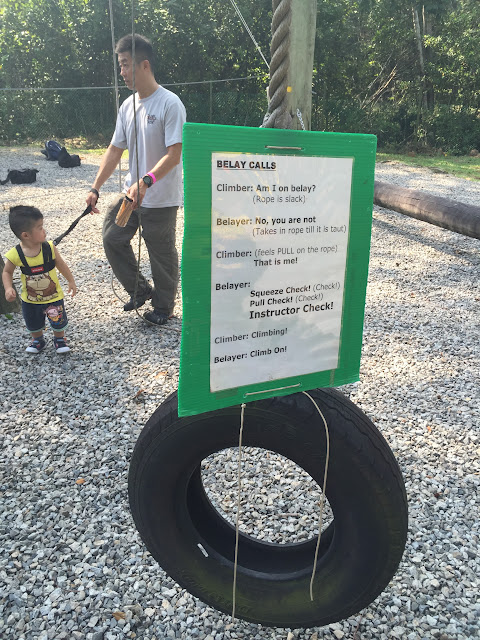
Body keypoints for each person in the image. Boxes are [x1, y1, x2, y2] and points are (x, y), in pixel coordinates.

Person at [86, 34, 186, 326]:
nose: (122, 72)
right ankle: (140, 290)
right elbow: (114, 149)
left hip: (161, 196)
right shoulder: (127, 106)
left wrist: (146, 181)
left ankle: (164, 308)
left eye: (126, 64)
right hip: (132, 195)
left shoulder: (170, 104)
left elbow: (174, 155)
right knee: (112, 238)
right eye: (120, 65)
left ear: (144, 65)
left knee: (160, 253)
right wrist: (95, 187)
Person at [2, 205, 77, 354]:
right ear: (26, 235)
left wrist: (71, 280)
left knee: (57, 319)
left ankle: (59, 339)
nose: (44, 231)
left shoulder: (49, 248)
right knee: (33, 322)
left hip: (53, 296)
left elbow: (61, 264)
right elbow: (7, 271)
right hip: (30, 299)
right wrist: (8, 288)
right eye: (40, 228)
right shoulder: (15, 254)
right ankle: (37, 340)